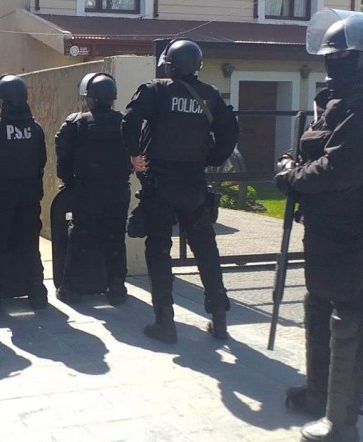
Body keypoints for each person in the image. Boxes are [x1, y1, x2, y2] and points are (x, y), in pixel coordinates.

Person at [273, 10, 363, 442]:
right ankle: (318, 395)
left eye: (342, 53)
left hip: (352, 226)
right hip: (327, 223)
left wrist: (291, 177)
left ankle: (342, 422)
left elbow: (339, 167)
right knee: (318, 307)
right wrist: (293, 164)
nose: (333, 60)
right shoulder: (340, 99)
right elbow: (316, 151)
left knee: (348, 318)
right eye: (330, 52)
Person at [121, 39, 238, 343]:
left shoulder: (155, 89)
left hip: (159, 185)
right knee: (206, 250)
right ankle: (220, 320)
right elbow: (230, 133)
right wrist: (209, 159)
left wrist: (134, 155)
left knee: (159, 251)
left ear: (170, 64)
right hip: (194, 185)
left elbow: (129, 120)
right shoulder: (210, 95)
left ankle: (165, 322)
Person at [55, 73, 132, 306]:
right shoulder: (125, 123)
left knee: (79, 239)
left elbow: (63, 158)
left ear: (91, 97)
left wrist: (70, 182)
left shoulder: (76, 122)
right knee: (116, 238)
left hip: (87, 190)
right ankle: (117, 288)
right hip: (118, 190)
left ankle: (70, 288)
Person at [0, 74, 49, 310]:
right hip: (29, 196)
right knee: (29, 244)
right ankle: (37, 291)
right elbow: (41, 162)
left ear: (2, 101)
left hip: (1, 196)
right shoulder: (35, 129)